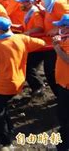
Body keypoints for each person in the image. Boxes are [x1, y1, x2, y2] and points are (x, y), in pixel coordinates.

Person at [0, 17, 46, 147]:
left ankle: (5, 142)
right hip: (20, 80)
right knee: (3, 107)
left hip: (4, 84)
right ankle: (10, 130)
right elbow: (41, 43)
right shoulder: (21, 38)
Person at [52, 15, 69, 151]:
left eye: (61, 26)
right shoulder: (65, 39)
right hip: (64, 83)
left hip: (68, 86)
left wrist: (57, 47)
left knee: (64, 114)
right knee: (62, 114)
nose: (58, 28)